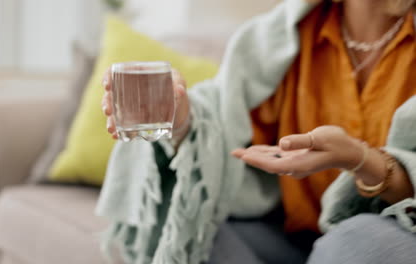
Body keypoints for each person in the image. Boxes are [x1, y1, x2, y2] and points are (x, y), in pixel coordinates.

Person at [98, 0, 416, 263]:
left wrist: (361, 160)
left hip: (384, 240)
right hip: (291, 239)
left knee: (354, 245)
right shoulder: (280, 35)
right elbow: (225, 123)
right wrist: (181, 118)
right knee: (200, 234)